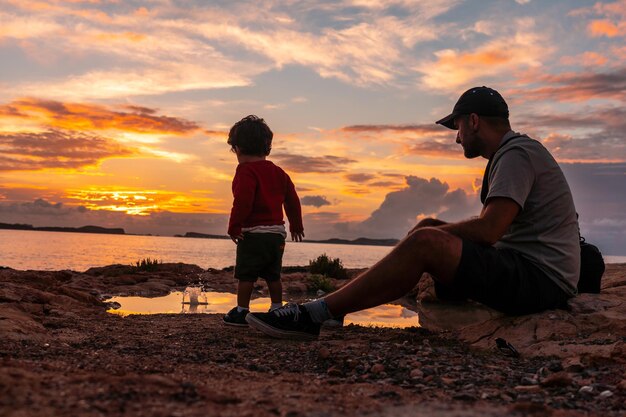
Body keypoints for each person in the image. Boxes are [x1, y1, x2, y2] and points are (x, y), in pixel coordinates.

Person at [245, 86, 580, 340]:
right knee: (428, 228)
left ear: (474, 121)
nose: (457, 138)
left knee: (426, 241)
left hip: (540, 281)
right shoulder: (512, 154)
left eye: (459, 128)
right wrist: (429, 233)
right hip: (527, 271)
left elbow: (490, 229)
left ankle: (315, 315)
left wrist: (426, 241)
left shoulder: (516, 155)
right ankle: (340, 304)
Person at [223, 115, 305, 326]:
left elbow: (243, 201)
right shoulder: (279, 172)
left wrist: (234, 226)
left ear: (238, 148)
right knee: (273, 275)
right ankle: (277, 309)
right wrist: (296, 225)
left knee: (246, 275)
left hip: (253, 234)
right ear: (267, 148)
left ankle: (242, 311)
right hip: (277, 234)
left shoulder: (245, 171)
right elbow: (292, 200)